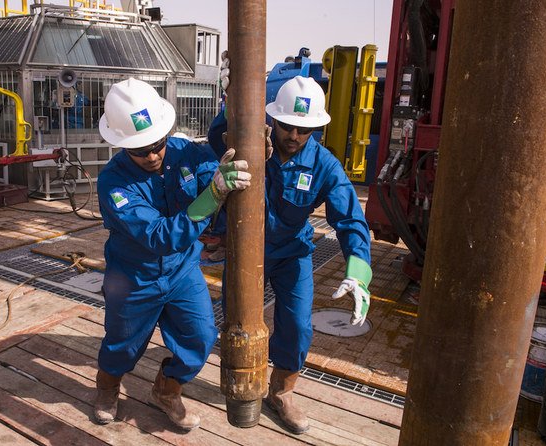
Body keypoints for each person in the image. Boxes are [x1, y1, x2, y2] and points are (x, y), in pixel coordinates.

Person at [209, 69, 372, 434]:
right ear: (273, 118)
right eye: (286, 126)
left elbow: (350, 217)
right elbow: (214, 140)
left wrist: (359, 271)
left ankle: (281, 391)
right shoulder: (254, 144)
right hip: (245, 249)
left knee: (297, 326)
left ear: (316, 129)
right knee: (234, 316)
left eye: (303, 129)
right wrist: (230, 102)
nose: (294, 136)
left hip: (292, 252)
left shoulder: (324, 165)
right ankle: (238, 378)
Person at [94, 78, 251, 431]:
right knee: (122, 344)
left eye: (157, 144)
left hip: (182, 271)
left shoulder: (185, 152)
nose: (152, 155)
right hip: (135, 277)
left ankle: (166, 390)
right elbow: (160, 236)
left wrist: (249, 158)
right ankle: (107, 387)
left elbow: (216, 172)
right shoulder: (113, 184)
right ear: (121, 144)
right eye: (140, 150)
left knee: (201, 337)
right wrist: (213, 194)